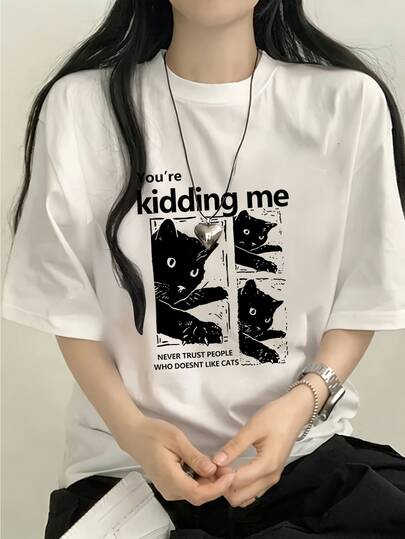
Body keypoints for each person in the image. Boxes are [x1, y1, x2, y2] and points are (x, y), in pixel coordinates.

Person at [2, 0, 405, 537]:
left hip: (306, 462)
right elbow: (67, 305)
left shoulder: (348, 103)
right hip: (128, 473)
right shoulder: (80, 107)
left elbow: (365, 294)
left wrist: (301, 406)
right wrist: (133, 431)